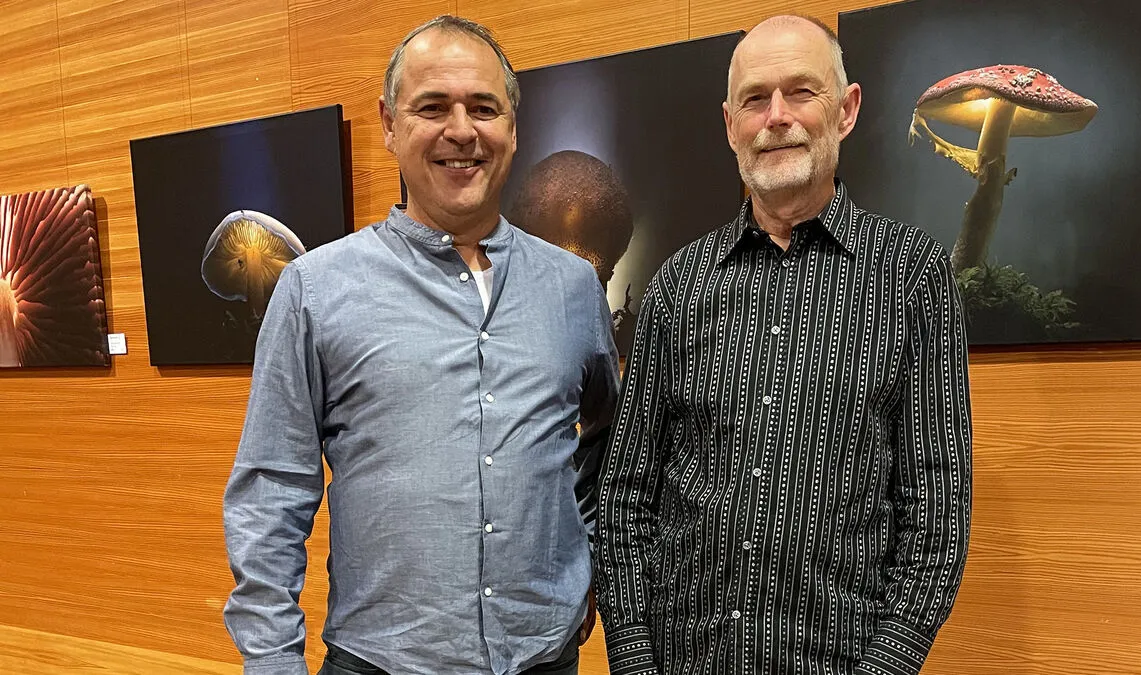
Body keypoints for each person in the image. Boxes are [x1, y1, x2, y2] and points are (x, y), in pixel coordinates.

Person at [222, 15, 619, 675]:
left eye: (483, 108)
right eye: (432, 107)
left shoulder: (573, 288)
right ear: (388, 122)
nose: (461, 130)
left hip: (543, 658)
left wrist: (584, 560)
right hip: (381, 659)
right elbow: (272, 492)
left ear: (512, 128)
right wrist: (271, 662)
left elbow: (608, 437)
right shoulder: (314, 291)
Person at [594, 14, 972, 675]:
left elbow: (936, 506)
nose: (776, 118)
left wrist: (888, 663)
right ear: (729, 123)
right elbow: (626, 493)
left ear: (846, 110)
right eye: (754, 98)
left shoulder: (912, 273)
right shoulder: (677, 285)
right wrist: (632, 657)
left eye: (802, 92)